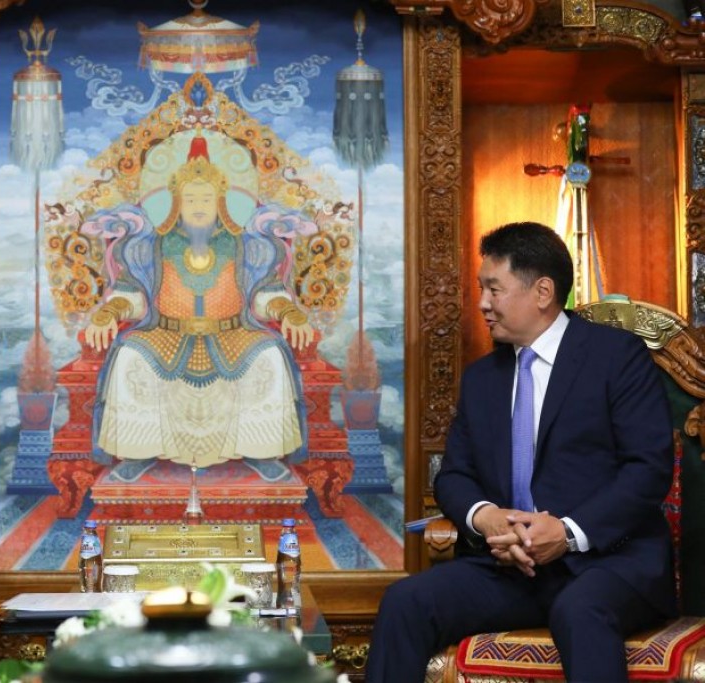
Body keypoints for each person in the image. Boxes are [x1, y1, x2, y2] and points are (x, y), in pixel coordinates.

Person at [365, 222, 675, 682]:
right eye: (481, 289)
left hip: (609, 563)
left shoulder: (616, 357)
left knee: (579, 610)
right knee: (405, 602)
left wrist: (566, 533)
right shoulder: (482, 378)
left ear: (543, 291)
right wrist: (487, 518)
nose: (482, 303)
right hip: (512, 569)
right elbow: (454, 476)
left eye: (494, 289)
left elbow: (648, 469)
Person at [82, 133, 315, 468]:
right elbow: (134, 295)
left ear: (221, 202)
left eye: (206, 199)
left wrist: (289, 311)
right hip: (165, 334)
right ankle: (136, 455)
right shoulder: (152, 246)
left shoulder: (245, 246)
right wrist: (110, 311)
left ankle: (262, 454)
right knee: (130, 355)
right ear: (177, 203)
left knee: (270, 356)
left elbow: (264, 294)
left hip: (233, 334)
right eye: (190, 199)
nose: (199, 207)